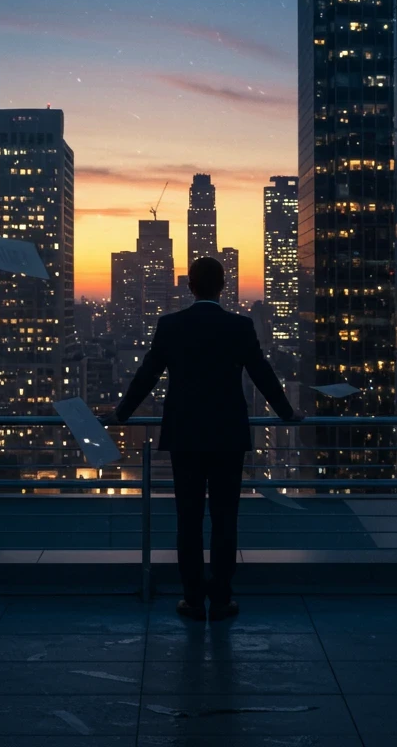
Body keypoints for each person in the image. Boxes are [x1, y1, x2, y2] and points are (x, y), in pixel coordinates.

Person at [105, 256, 302, 621]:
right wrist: (287, 413)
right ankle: (223, 599)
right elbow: (263, 374)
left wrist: (121, 415)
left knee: (189, 520)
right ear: (223, 285)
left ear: (190, 285)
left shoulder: (171, 326)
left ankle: (193, 600)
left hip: (186, 436)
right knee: (226, 519)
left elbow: (147, 375)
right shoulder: (240, 327)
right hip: (228, 436)